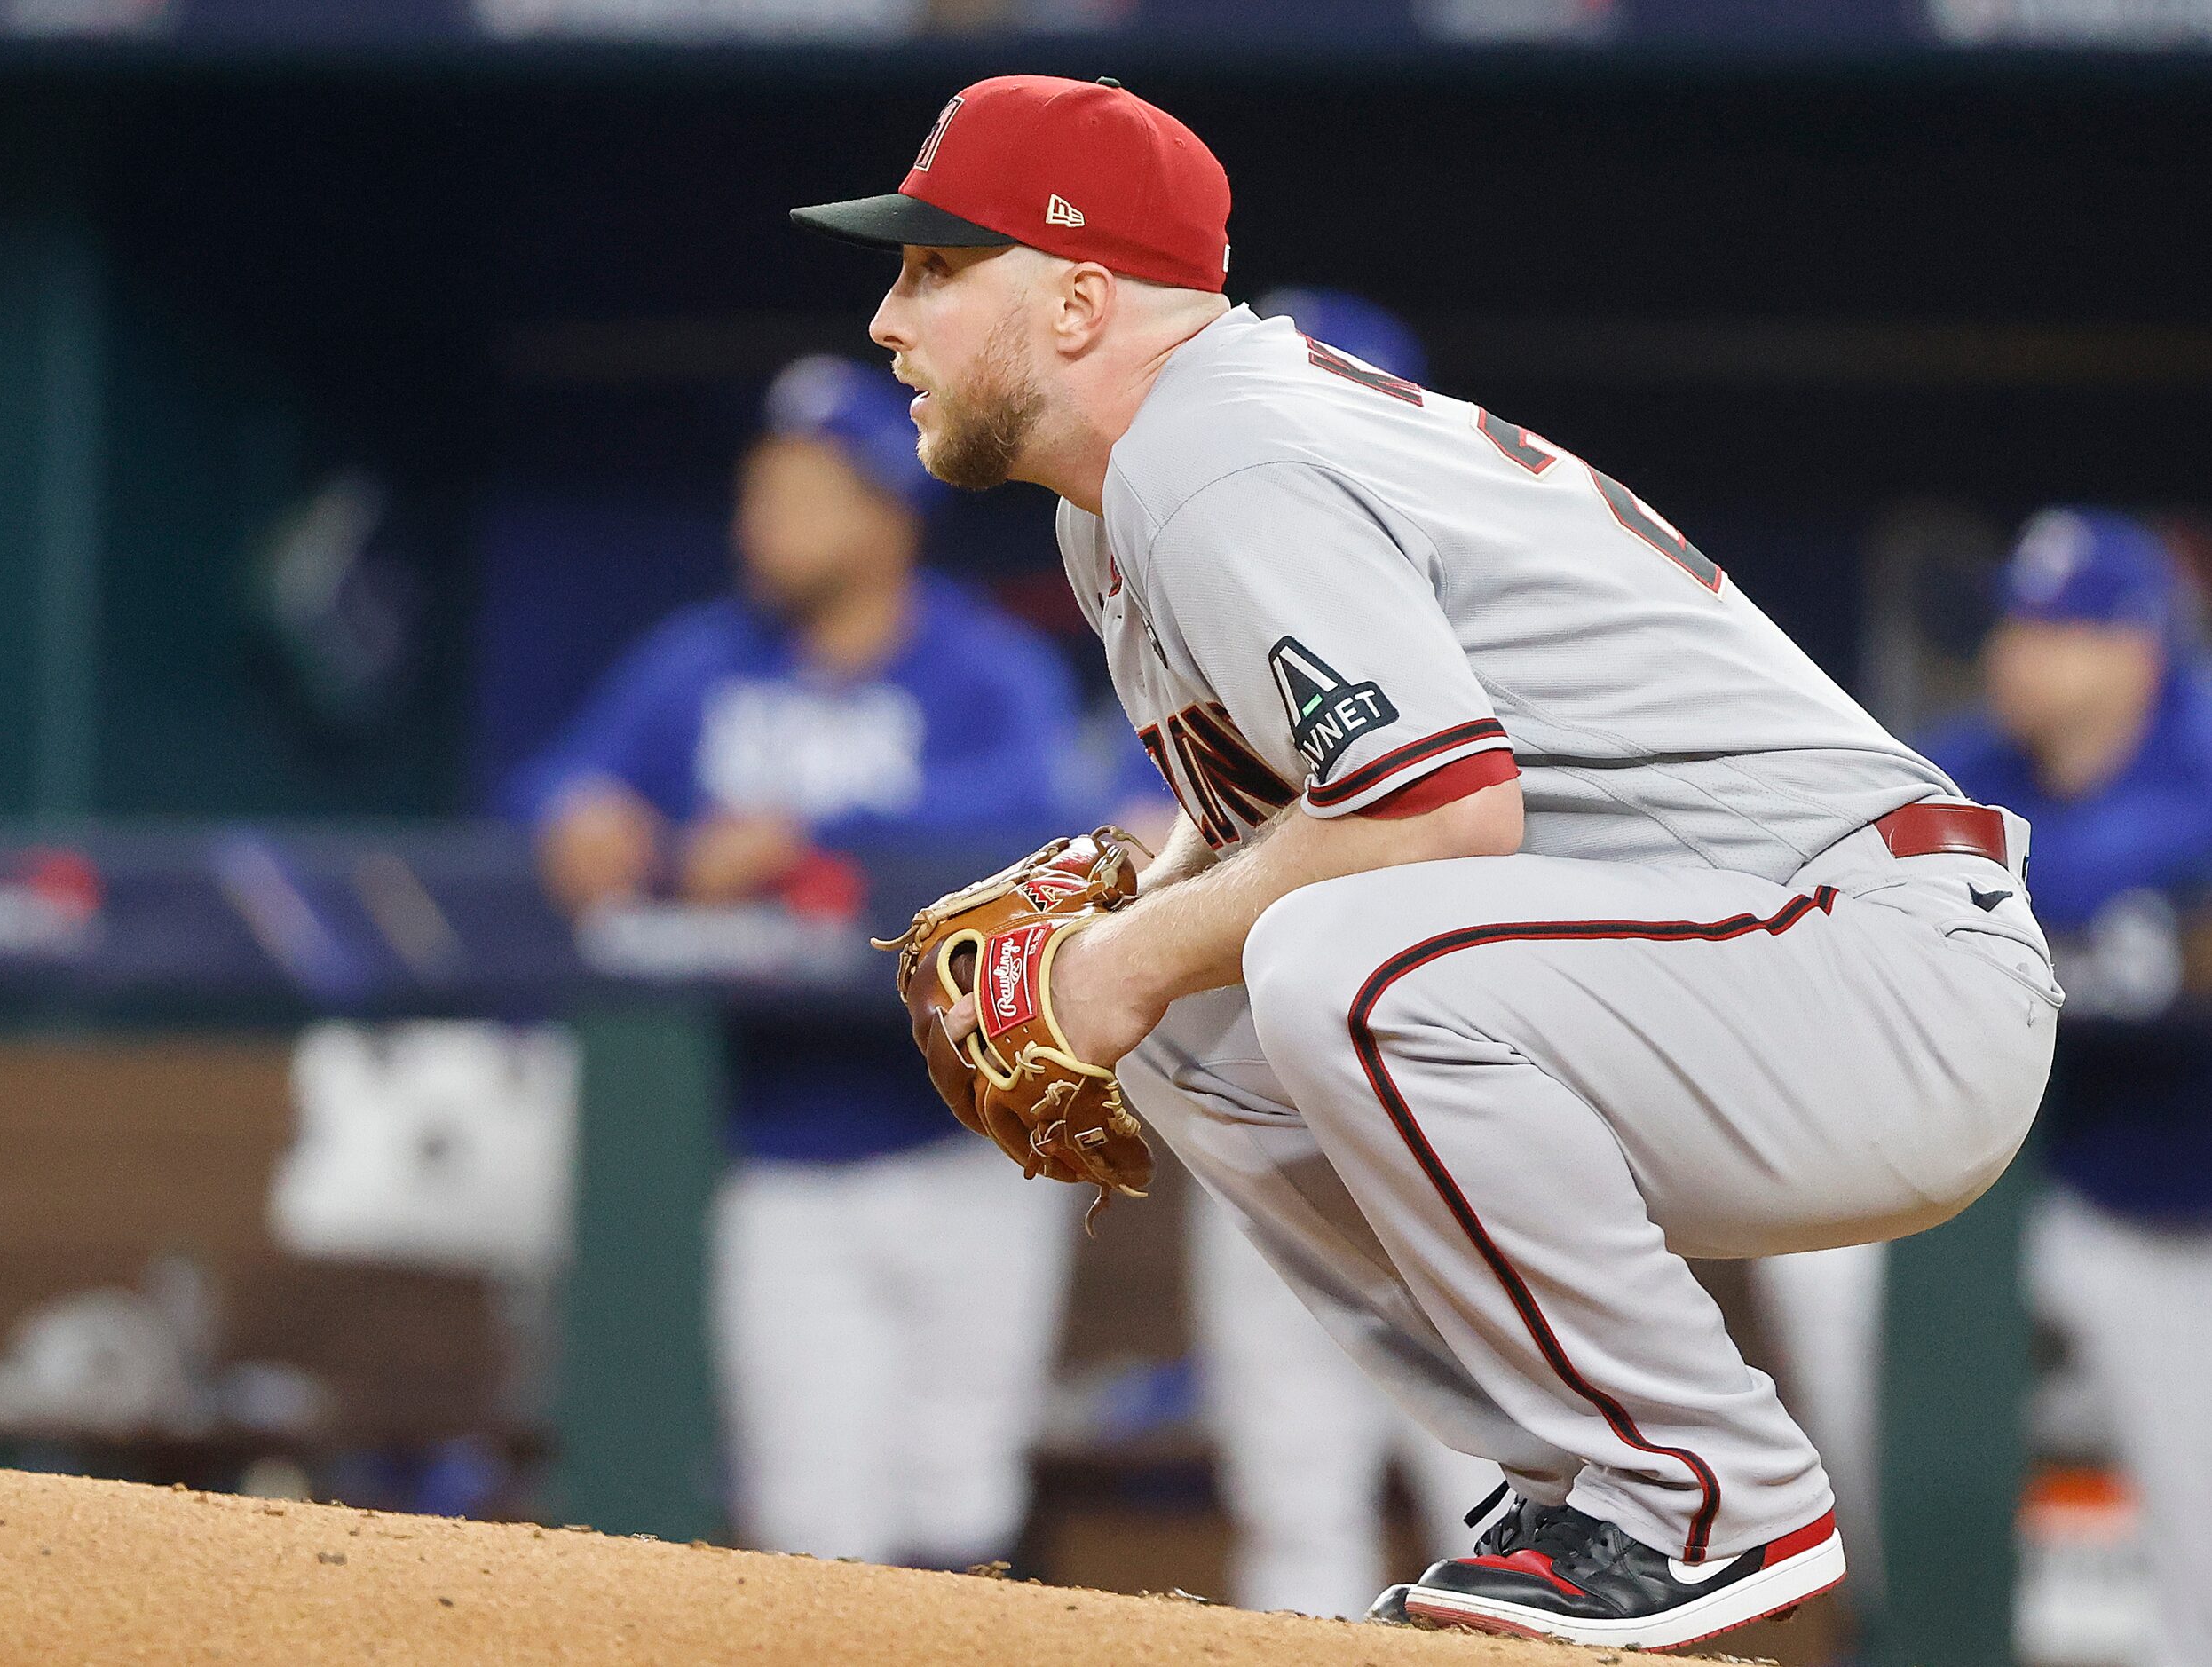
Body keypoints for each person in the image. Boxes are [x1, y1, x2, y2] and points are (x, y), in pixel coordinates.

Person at [790, 75, 2059, 1648]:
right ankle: (1581, 1485)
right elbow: (1297, 819)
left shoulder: (1220, 456)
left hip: (1869, 964)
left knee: (1317, 963)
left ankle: (1709, 1493)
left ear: (1076, 299)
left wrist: (1108, 962)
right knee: (1208, 1005)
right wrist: (1141, 951)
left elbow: (1440, 819)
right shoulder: (1132, 486)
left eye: (929, 269)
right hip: (1738, 967)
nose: (885, 319)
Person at [513, 355, 1088, 1569]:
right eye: (755, 490)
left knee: (961, 1507)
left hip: (970, 1139)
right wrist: (579, 812)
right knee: (817, 1527)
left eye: (799, 491)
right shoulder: (701, 661)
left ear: (889, 511)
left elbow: (1049, 815)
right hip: (773, 1143)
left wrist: (810, 838)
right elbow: (565, 782)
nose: (758, 520)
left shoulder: (979, 669)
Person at [1181, 287, 1500, 1616]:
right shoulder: (1189, 602)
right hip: (1276, 1110)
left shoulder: (1491, 611)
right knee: (1291, 1508)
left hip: (1454, 1118)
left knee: (1509, 1518)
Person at [1930, 506, 2212, 1667]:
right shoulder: (1966, 764)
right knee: (1835, 1267)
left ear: (2134, 645)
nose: (2014, 651)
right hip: (2026, 1193)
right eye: (2014, 624)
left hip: (2181, 1217)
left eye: (2055, 630)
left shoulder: (2194, 761)